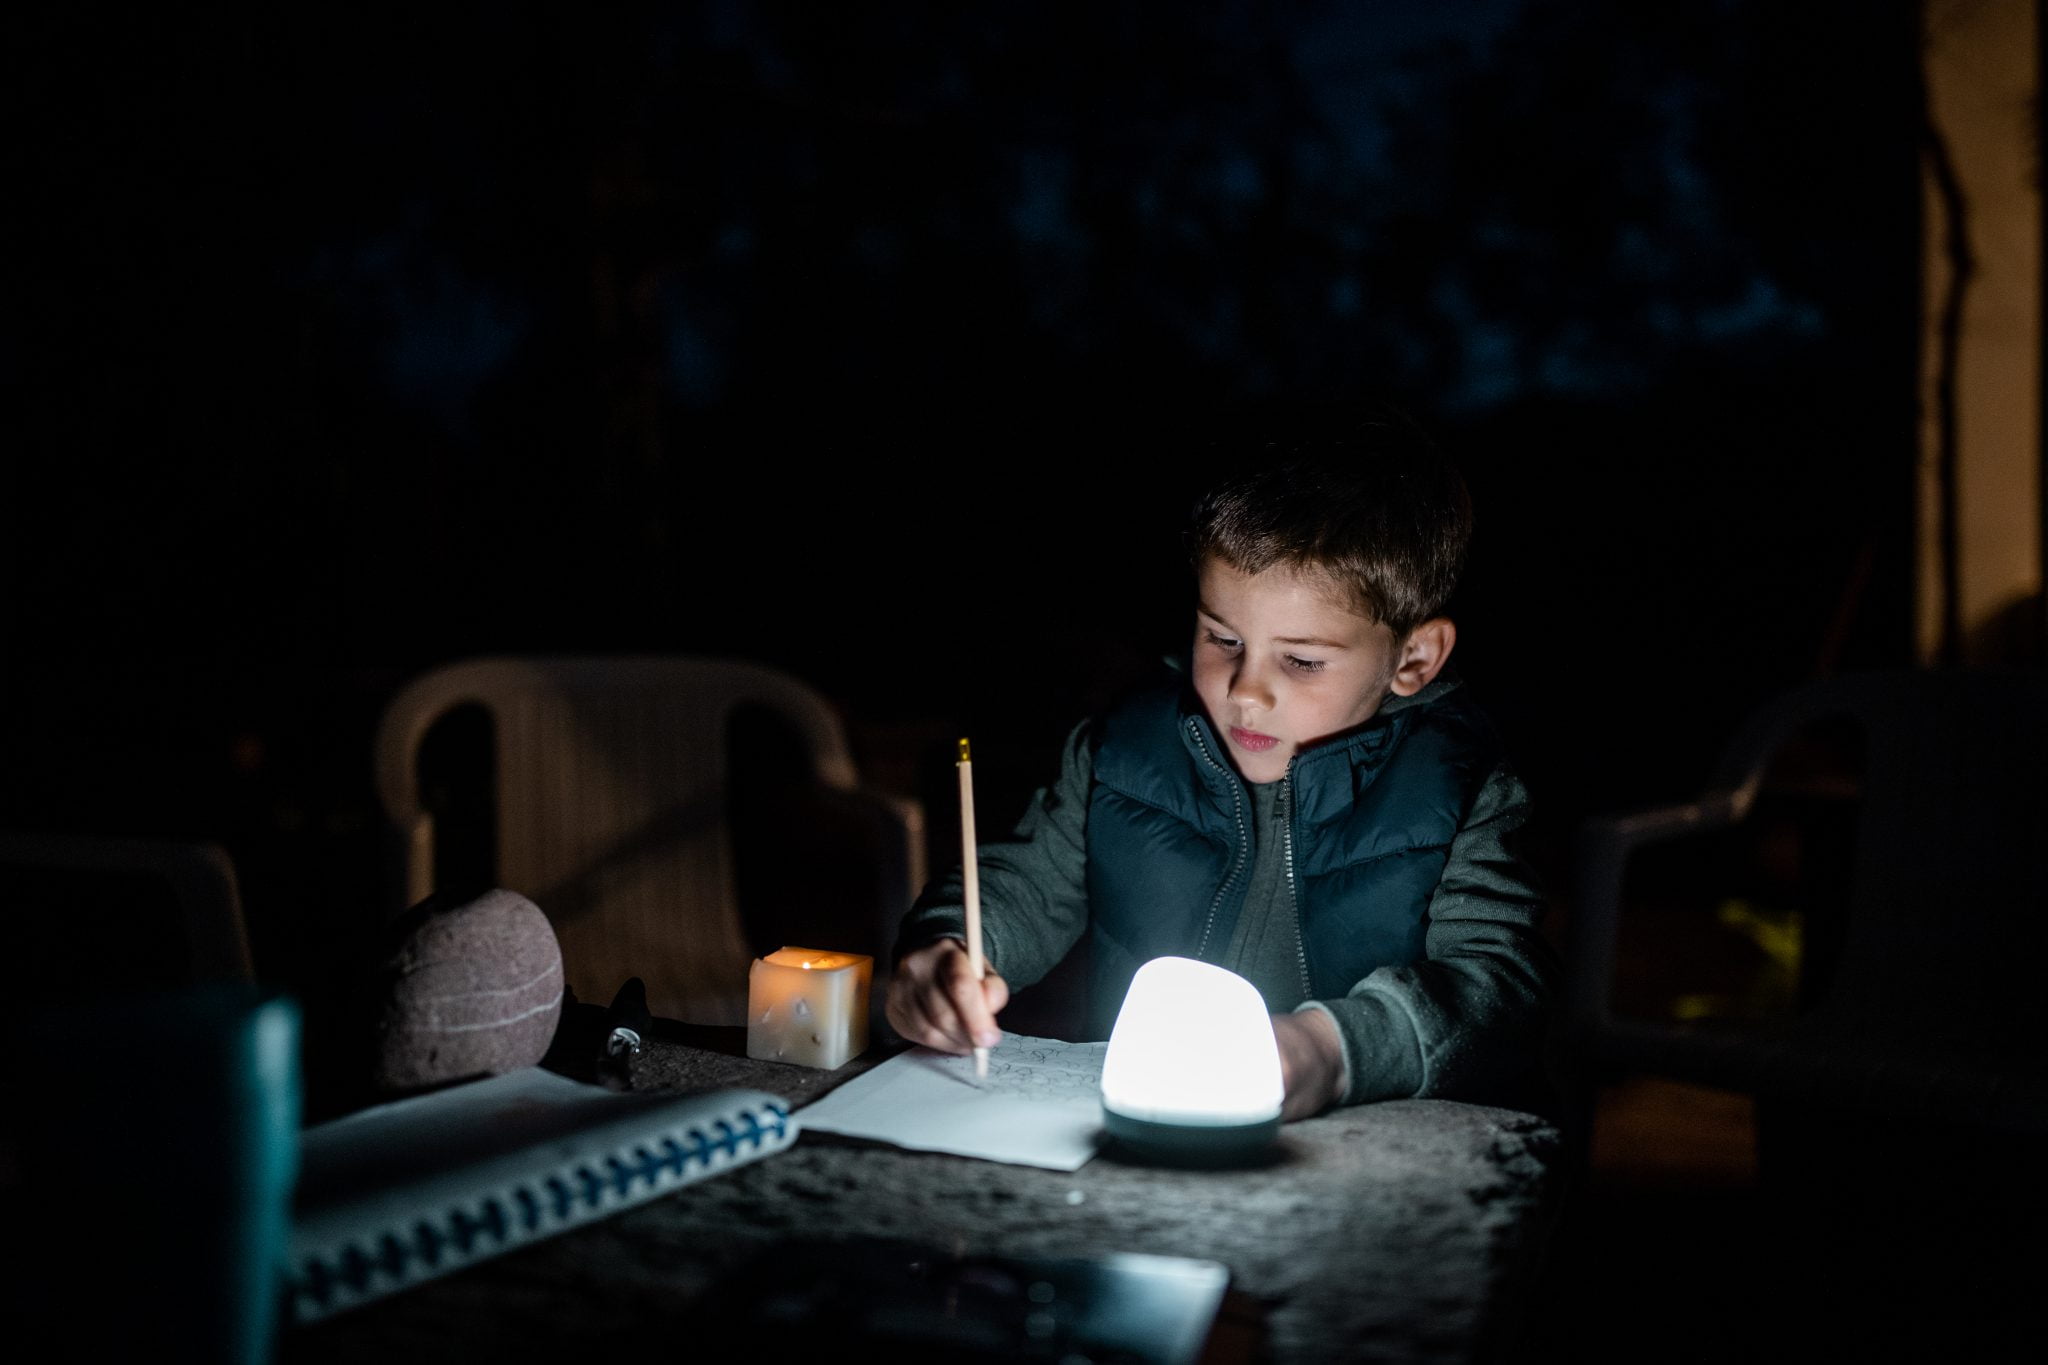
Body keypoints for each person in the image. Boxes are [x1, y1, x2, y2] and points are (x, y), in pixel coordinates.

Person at [885, 411, 1558, 1120]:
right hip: (1146, 1129)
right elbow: (1024, 877)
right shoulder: (1128, 745)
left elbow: (1498, 985)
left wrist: (1333, 1051)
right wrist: (950, 947)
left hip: (1384, 1155)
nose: (1246, 691)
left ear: (1414, 658)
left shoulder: (1461, 786)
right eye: (1222, 637)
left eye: (1300, 659)